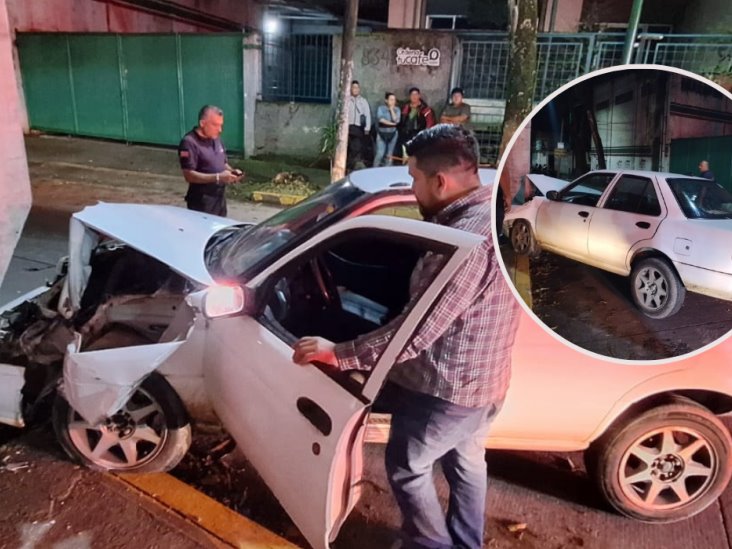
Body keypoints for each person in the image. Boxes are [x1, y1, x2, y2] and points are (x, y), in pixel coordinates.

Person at [292, 125, 521, 549]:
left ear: (440, 181)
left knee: (407, 464)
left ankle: (429, 544)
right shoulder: (495, 212)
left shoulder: (467, 243)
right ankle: (467, 543)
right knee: (467, 461)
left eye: (414, 178)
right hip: (487, 380)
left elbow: (415, 334)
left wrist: (338, 354)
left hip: (447, 390)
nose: (411, 188)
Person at [178, 105, 244, 217]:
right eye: (215, 125)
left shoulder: (216, 139)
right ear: (202, 123)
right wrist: (218, 177)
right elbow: (189, 175)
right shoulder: (189, 143)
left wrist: (232, 172)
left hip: (219, 199)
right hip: (202, 201)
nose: (219, 130)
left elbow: (223, 163)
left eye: (221, 125)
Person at [398, 87, 436, 159]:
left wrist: (425, 136)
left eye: (416, 94)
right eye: (412, 95)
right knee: (405, 156)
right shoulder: (405, 107)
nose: (414, 97)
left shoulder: (426, 109)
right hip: (406, 136)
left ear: (419, 96)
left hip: (419, 136)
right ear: (409, 96)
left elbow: (429, 124)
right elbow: (401, 121)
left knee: (417, 156)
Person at [346, 80, 372, 171]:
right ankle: (349, 166)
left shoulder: (363, 101)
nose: (355, 89)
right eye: (353, 87)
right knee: (349, 148)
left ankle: (352, 166)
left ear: (359, 89)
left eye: (357, 87)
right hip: (348, 128)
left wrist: (367, 128)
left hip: (358, 128)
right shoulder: (347, 100)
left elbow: (367, 115)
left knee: (356, 147)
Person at [374, 92, 401, 166]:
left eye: (394, 100)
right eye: (391, 99)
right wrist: (392, 124)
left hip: (393, 134)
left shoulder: (397, 109)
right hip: (382, 133)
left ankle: (387, 171)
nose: (393, 101)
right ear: (386, 100)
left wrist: (392, 110)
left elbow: (396, 120)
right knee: (380, 153)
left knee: (389, 155)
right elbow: (381, 120)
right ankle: (374, 170)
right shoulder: (381, 108)